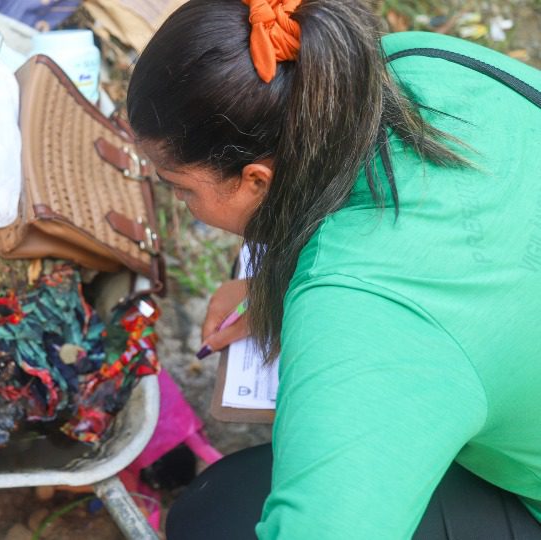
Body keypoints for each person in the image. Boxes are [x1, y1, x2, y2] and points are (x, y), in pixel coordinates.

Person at [126, 0, 541, 538]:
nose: (181, 202)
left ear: (256, 180)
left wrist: (330, 320)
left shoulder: (365, 317)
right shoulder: (415, 61)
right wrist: (268, 287)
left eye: (180, 187)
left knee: (220, 513)